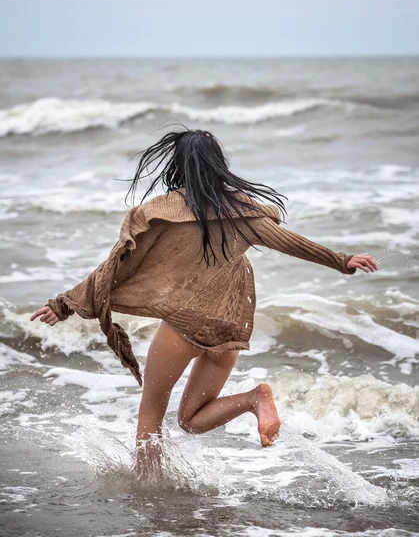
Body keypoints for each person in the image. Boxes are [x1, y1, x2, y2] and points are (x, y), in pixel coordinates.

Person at [30, 129, 378, 456]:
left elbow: (115, 267)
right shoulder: (246, 214)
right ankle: (253, 399)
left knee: (150, 418)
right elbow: (294, 244)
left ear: (177, 166)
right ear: (219, 165)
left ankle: (147, 494)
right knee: (190, 420)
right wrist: (342, 261)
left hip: (184, 329)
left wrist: (64, 305)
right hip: (228, 333)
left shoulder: (160, 214)